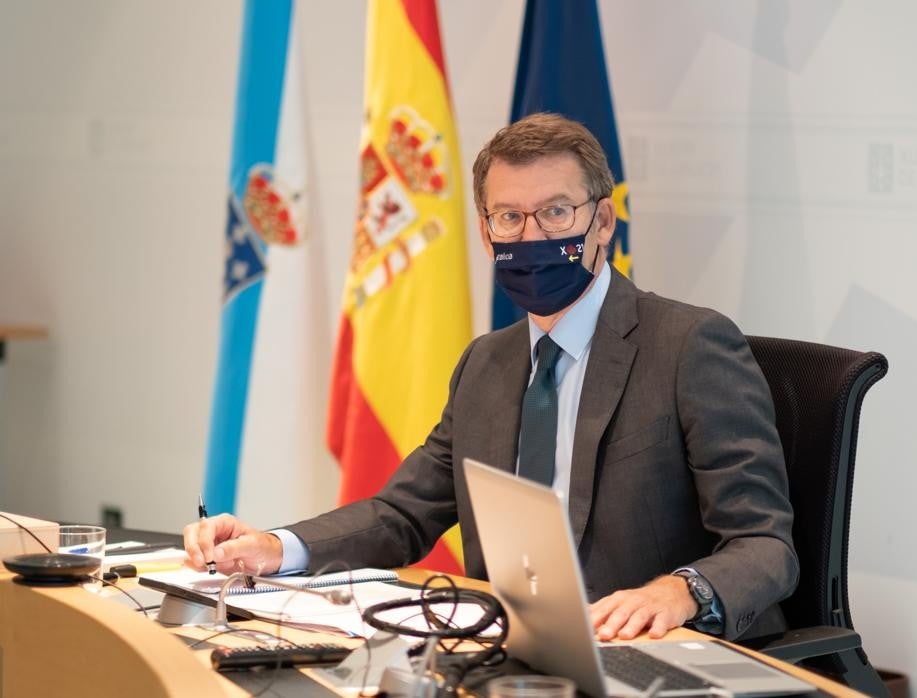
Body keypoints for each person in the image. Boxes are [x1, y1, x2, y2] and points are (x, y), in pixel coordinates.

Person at [184, 113, 797, 642]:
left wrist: (679, 592)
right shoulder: (486, 364)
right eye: (509, 217)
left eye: (556, 213)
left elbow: (766, 546)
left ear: (603, 223)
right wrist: (276, 547)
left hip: (654, 650)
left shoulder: (689, 346)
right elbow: (402, 514)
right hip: (512, 649)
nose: (531, 236)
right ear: (485, 231)